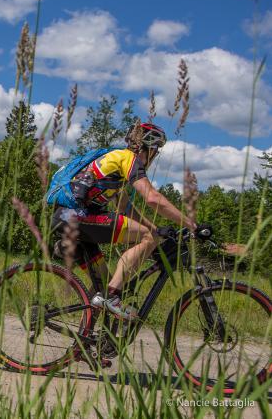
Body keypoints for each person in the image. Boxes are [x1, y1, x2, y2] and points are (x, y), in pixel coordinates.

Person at [51, 122, 196, 320]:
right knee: (146, 238)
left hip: (66, 218)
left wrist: (157, 231)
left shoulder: (115, 161)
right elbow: (153, 198)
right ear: (150, 149)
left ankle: (88, 340)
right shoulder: (128, 159)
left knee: (102, 285)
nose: (154, 157)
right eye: (156, 151)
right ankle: (112, 297)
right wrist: (190, 224)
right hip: (76, 218)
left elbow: (126, 209)